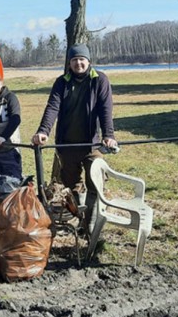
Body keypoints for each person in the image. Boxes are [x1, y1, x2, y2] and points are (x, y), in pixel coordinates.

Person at [31, 43, 118, 232]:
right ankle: (81, 219)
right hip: (67, 145)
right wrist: (43, 131)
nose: (78, 63)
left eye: (82, 59)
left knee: (96, 182)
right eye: (74, 60)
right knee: (72, 185)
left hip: (92, 145)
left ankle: (91, 227)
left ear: (88, 61)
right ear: (69, 63)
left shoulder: (99, 80)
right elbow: (52, 107)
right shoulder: (62, 82)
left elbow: (105, 110)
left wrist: (108, 136)